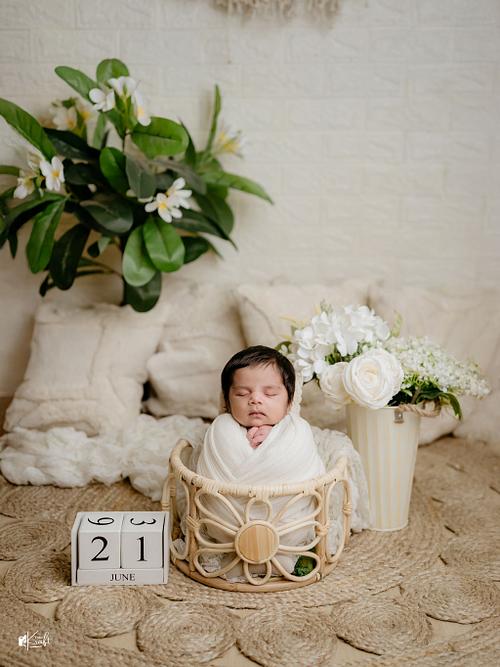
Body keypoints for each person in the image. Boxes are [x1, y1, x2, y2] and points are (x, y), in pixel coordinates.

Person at [195, 345, 326, 578]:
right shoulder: (223, 427)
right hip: (225, 525)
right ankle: (252, 546)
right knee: (220, 427)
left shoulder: (295, 429)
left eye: (270, 394)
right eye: (242, 394)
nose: (255, 399)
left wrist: (276, 436)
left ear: (289, 401)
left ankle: (275, 545)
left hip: (289, 525)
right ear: (227, 401)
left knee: (300, 430)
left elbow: (304, 465)